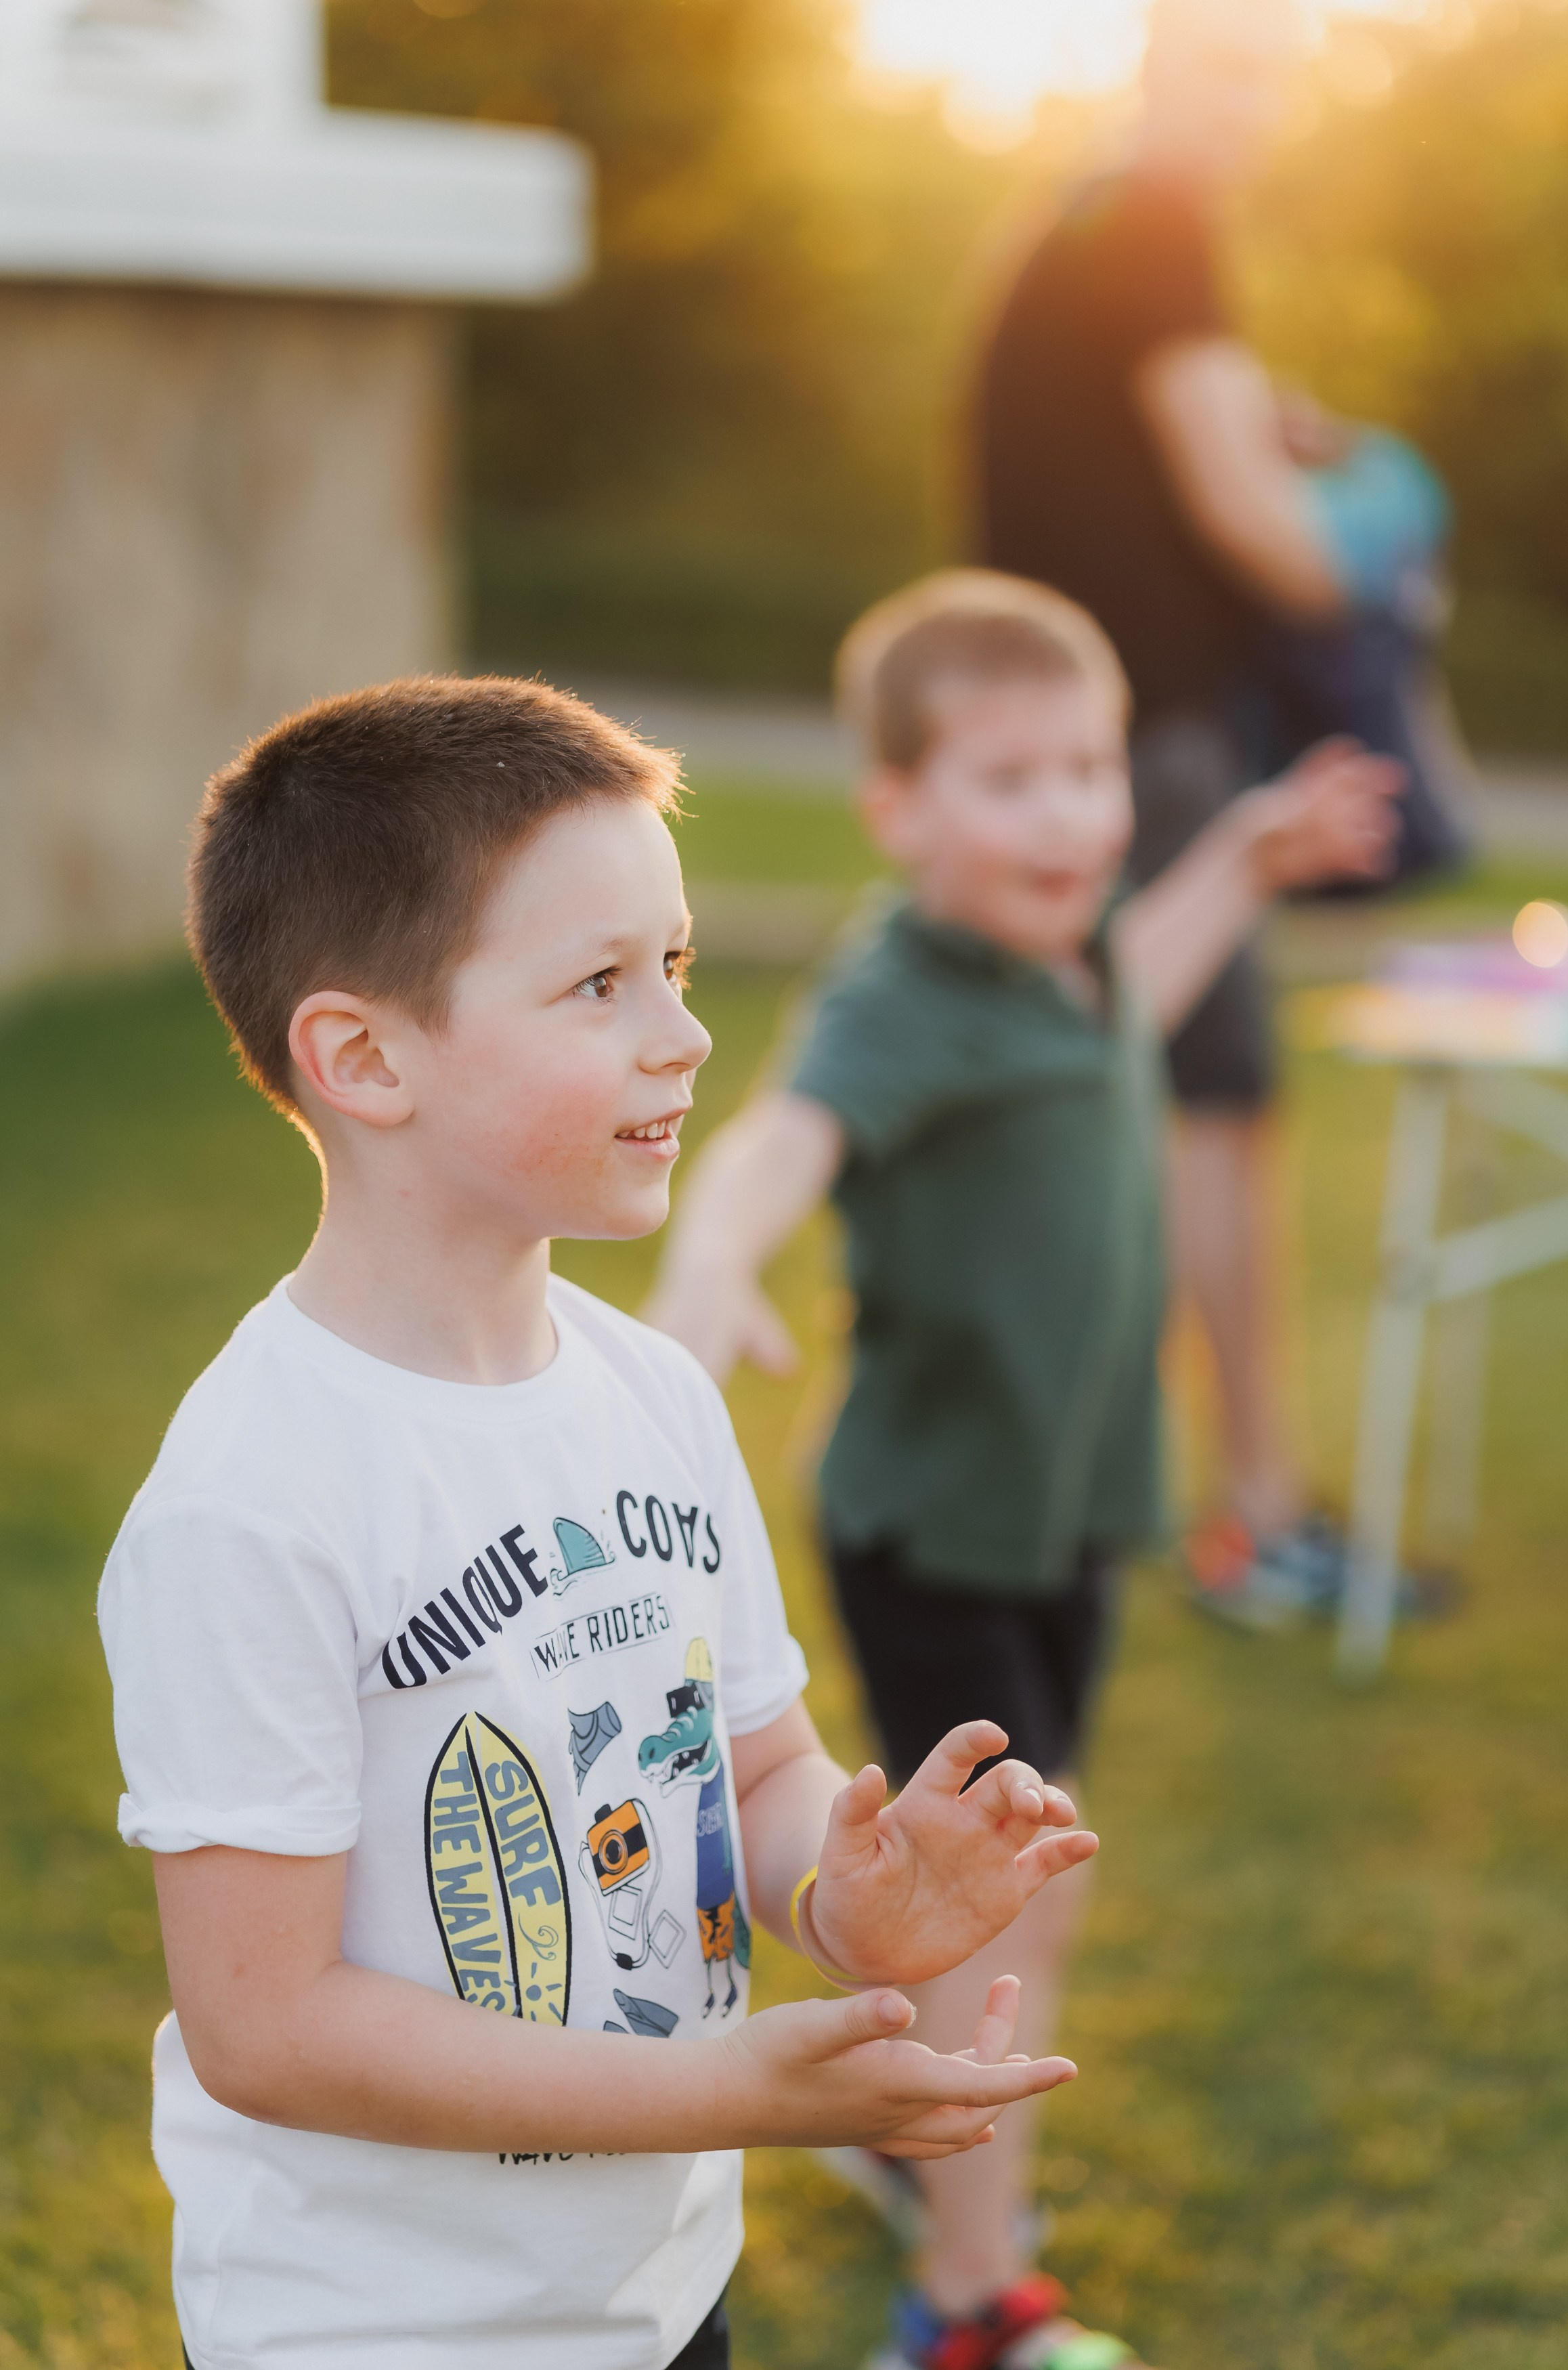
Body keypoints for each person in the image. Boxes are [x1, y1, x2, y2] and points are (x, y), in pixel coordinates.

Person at [96, 674, 1108, 2370]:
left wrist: (842, 1897)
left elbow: (761, 1769)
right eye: (600, 984)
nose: (686, 1033)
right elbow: (262, 2025)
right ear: (362, 1056)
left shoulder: (655, 1398)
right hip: (375, 2332)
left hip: (650, 2284)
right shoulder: (251, 1502)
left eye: (680, 964)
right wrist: (710, 2086)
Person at [645, 570, 1400, 2370]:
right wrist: (710, 1250)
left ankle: (923, 2167)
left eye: (1085, 767)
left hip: (1066, 1518)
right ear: (894, 806)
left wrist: (1239, 858)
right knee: (1013, 1911)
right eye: (1007, 777)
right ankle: (968, 2307)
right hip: (938, 1532)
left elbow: (1129, 993)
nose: (1065, 810)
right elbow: (787, 1128)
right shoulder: (900, 989)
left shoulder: (1066, 961)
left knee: (987, 1893)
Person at [974, 0, 1462, 1624]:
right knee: (1209, 1108)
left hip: (1093, 737)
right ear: (1165, 68)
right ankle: (1254, 1528)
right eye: (1236, 69)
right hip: (1151, 743)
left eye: (1278, 76)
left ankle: (1201, 1507)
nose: (1259, 108)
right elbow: (1260, 521)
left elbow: (1224, 434)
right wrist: (1379, 557)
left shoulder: (1087, 224)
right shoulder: (1163, 224)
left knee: (1148, 1097)